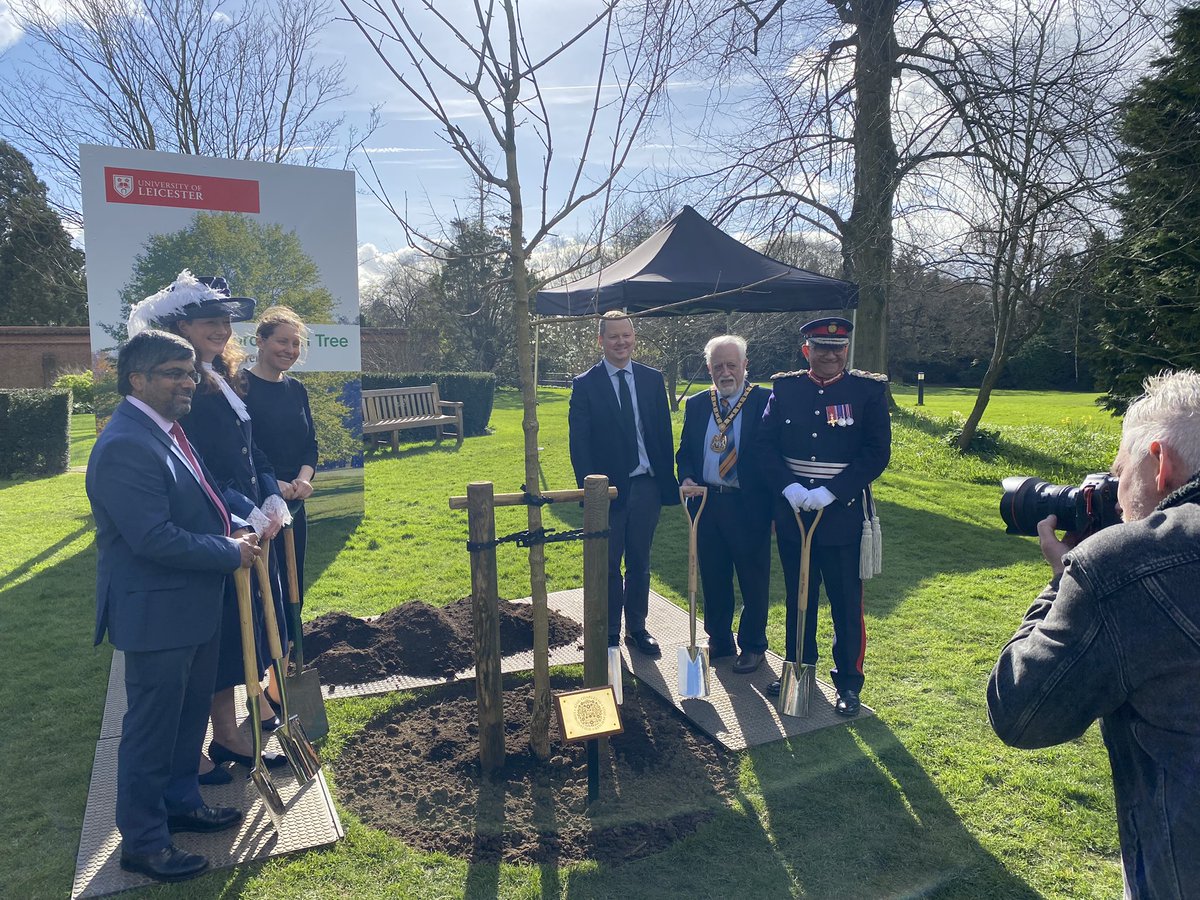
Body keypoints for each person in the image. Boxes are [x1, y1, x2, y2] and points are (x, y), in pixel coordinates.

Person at [988, 370, 1200, 898]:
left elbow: (1020, 711)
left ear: (1161, 464)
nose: (1115, 490)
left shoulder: (1130, 563)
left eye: (1119, 471)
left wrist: (1069, 573)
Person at [87, 330, 258, 882]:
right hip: (157, 614)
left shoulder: (168, 430)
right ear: (136, 379)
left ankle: (182, 802)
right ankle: (142, 841)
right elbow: (153, 537)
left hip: (193, 604)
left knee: (187, 719)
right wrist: (228, 550)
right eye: (173, 373)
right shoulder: (125, 444)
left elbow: (201, 501)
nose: (189, 382)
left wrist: (237, 522)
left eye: (190, 372)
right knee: (152, 730)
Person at [128, 271, 289, 779]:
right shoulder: (180, 385)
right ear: (182, 326)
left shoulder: (222, 375)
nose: (220, 328)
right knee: (216, 640)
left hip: (245, 519)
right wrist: (245, 510)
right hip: (213, 524)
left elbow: (249, 448)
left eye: (224, 321)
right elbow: (201, 469)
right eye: (208, 321)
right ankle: (208, 740)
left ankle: (228, 732)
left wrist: (270, 491)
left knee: (244, 631)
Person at [757, 316, 891, 716]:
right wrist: (789, 487)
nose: (829, 354)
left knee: (846, 601)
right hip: (794, 510)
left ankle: (849, 684)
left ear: (846, 351)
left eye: (837, 348)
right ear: (806, 351)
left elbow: (875, 453)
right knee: (801, 598)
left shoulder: (867, 391)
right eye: (820, 347)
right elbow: (765, 447)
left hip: (843, 514)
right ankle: (798, 668)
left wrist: (833, 491)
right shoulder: (785, 388)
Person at [569, 311, 679, 656]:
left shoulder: (651, 379)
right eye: (614, 337)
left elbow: (662, 433)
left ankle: (638, 628)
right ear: (600, 341)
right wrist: (590, 488)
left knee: (640, 561)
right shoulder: (586, 384)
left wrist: (667, 484)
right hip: (609, 490)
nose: (621, 342)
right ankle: (609, 633)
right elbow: (579, 441)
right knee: (608, 564)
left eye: (627, 336)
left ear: (634, 337)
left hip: (646, 486)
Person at [676, 334, 772, 673]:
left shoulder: (766, 401)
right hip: (707, 505)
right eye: (718, 366)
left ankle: (753, 645)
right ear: (709, 368)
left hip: (749, 505)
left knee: (753, 578)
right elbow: (685, 452)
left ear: (746, 365)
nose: (725, 372)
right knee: (713, 576)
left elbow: (776, 457)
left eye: (732, 364)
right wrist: (686, 477)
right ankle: (719, 638)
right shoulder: (699, 403)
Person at [245, 306, 318, 617]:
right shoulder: (240, 387)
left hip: (295, 503)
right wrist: (271, 484)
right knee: (261, 590)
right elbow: (242, 448)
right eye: (282, 341)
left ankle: (292, 650)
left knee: (292, 586)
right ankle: (265, 662)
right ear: (260, 341)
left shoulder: (297, 389)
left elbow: (310, 444)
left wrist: (304, 479)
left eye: (296, 343)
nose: (290, 350)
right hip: (256, 502)